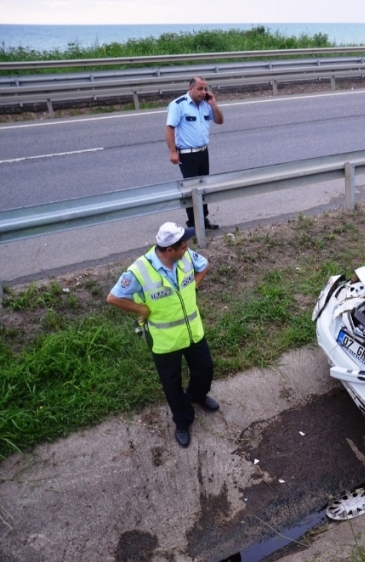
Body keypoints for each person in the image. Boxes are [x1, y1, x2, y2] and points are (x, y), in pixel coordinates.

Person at [107, 222, 220, 448]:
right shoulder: (139, 271)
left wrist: (194, 287)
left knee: (205, 368)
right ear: (170, 250)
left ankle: (197, 395)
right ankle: (183, 420)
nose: (188, 248)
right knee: (172, 384)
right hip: (165, 340)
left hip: (192, 332)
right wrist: (142, 310)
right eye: (184, 245)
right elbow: (114, 297)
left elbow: (204, 265)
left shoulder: (185, 257)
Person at [165, 76, 225, 230]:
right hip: (187, 154)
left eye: (205, 89)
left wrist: (213, 104)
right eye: (200, 88)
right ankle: (193, 224)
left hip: (203, 152)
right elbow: (169, 128)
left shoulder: (206, 105)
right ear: (190, 88)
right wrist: (173, 152)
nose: (203, 92)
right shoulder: (178, 105)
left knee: (203, 187)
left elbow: (219, 120)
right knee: (191, 189)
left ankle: (203, 220)